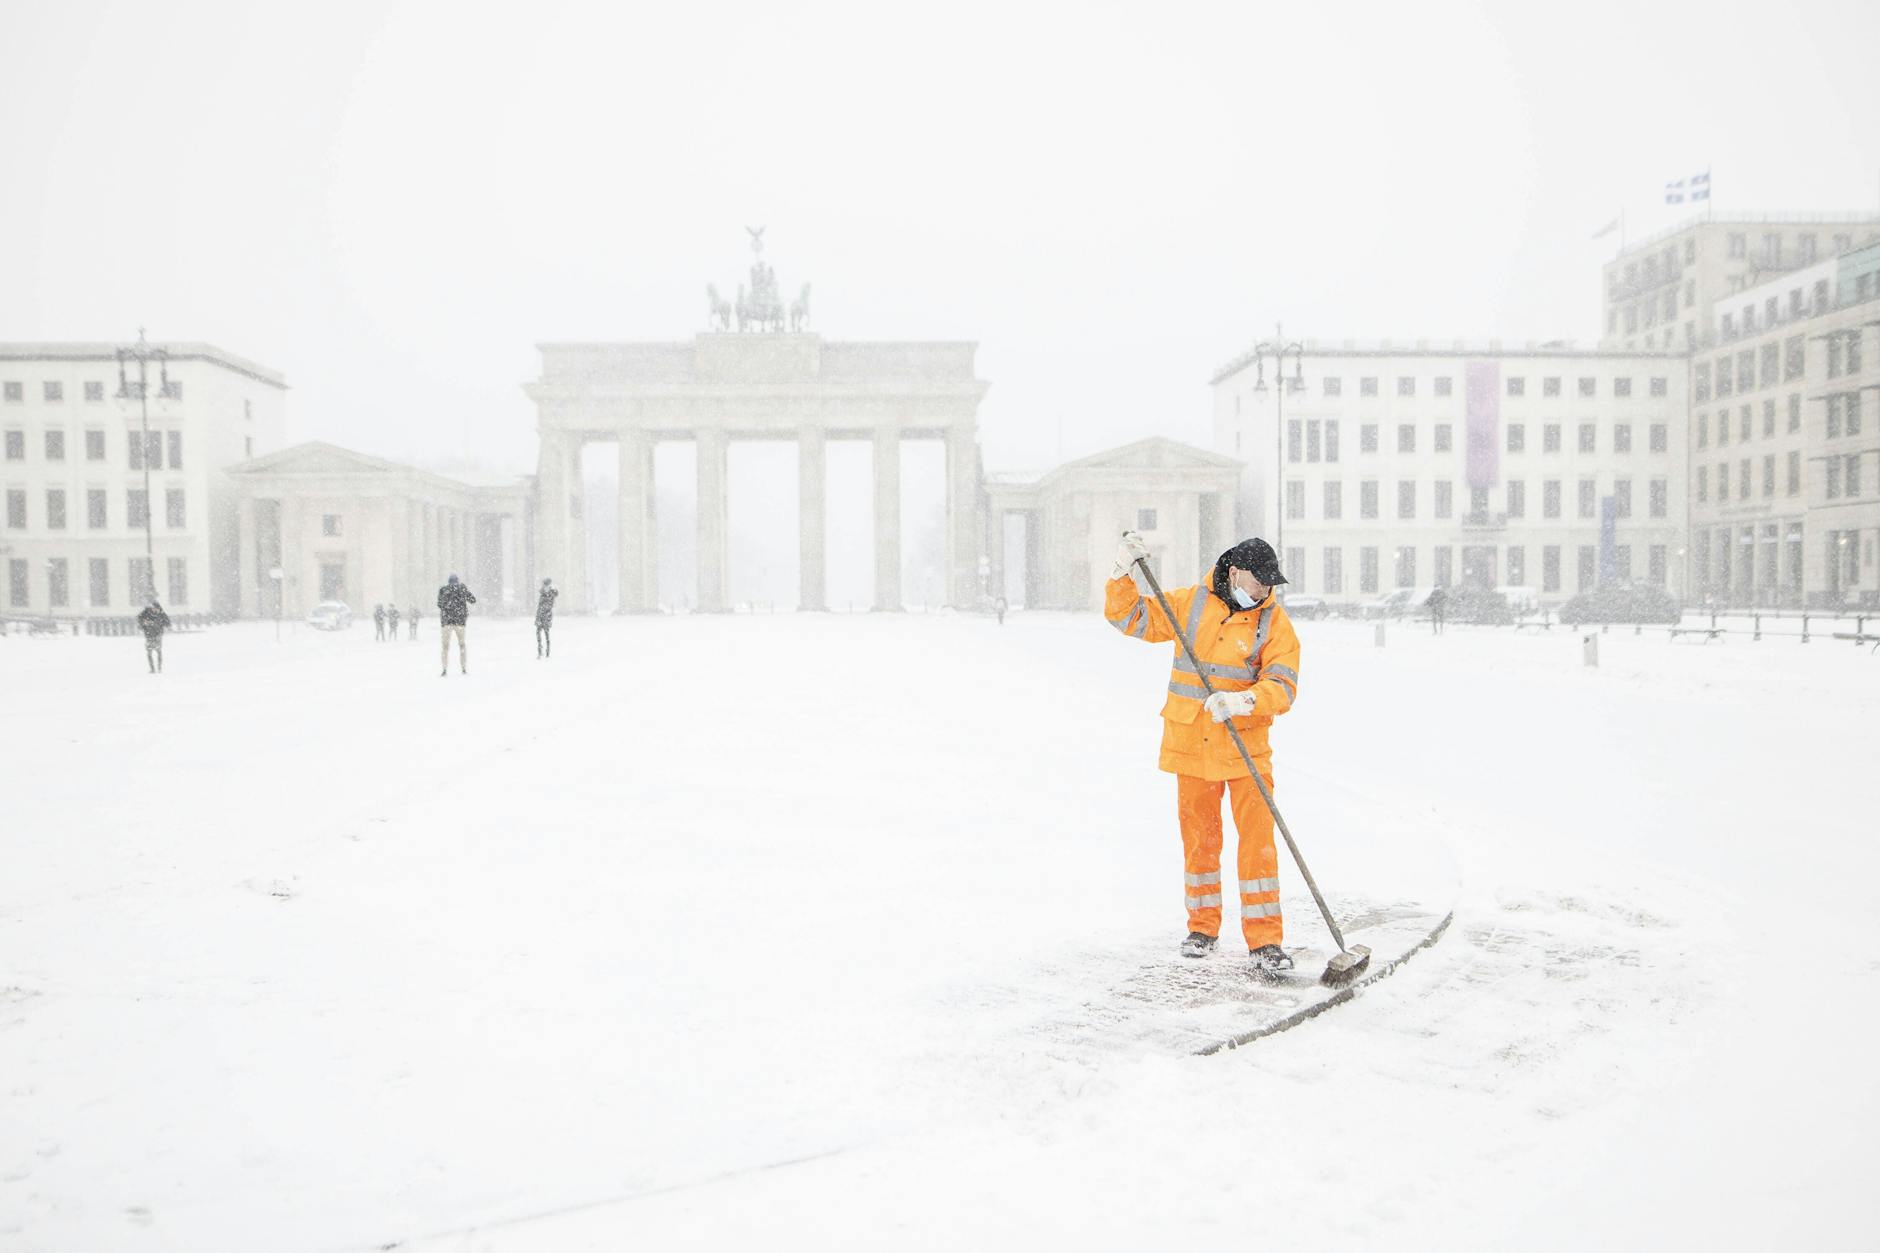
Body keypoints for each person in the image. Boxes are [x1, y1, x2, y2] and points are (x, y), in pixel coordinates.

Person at [1104, 532, 1302, 975]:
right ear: (1235, 573)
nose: (1265, 592)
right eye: (1258, 582)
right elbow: (1130, 617)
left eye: (1271, 584)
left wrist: (1246, 701)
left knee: (1258, 849)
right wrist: (1122, 573)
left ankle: (1266, 940)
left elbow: (1284, 683)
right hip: (1192, 746)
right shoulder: (1190, 604)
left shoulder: (1273, 622)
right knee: (1200, 844)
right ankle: (1202, 928)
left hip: (1245, 748)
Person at [437, 574, 475, 676]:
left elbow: (439, 604)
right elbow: (472, 600)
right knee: (462, 645)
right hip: (460, 622)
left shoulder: (443, 590)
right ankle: (463, 668)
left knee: (445, 647)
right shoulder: (462, 588)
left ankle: (444, 669)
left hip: (446, 622)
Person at [137, 599, 172, 675]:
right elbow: (139, 620)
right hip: (149, 635)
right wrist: (144, 623)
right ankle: (152, 668)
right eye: (153, 608)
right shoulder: (145, 613)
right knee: (149, 652)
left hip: (158, 635)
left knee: (158, 651)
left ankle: (159, 668)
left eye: (156, 608)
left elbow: (168, 623)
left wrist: (160, 622)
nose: (155, 610)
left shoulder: (161, 614)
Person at [535, 577, 558, 659]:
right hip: (540, 615)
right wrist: (537, 617)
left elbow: (548, 605)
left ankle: (547, 652)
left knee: (546, 633)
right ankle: (540, 651)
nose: (543, 586)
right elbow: (539, 606)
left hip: (546, 616)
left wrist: (544, 614)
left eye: (545, 584)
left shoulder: (551, 593)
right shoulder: (542, 593)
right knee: (538, 633)